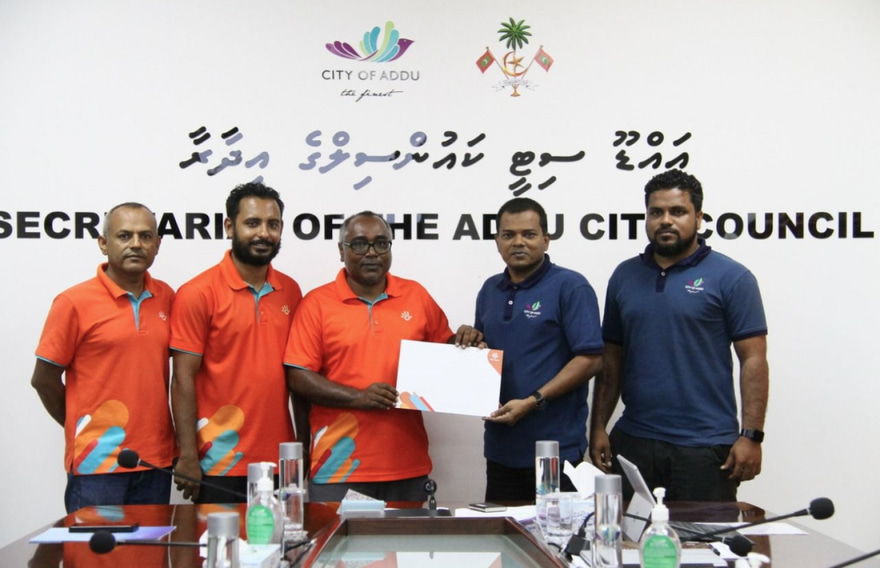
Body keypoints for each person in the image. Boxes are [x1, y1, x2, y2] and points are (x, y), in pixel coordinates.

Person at [590, 169, 769, 501]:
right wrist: (598, 426)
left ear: (698, 218)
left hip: (704, 447)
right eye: (656, 212)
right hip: (635, 441)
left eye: (678, 211)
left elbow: (753, 359)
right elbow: (611, 359)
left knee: (701, 536)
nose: (666, 221)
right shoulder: (624, 276)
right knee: (627, 534)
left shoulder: (733, 278)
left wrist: (751, 435)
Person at [284, 211, 465, 502]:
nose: (371, 253)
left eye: (381, 243)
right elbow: (298, 377)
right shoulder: (316, 304)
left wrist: (465, 341)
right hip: (337, 469)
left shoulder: (416, 296)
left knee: (409, 536)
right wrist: (358, 397)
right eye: (359, 244)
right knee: (337, 536)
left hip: (407, 466)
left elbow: (445, 355)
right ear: (341, 251)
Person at [454, 197, 604, 501]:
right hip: (500, 449)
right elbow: (488, 352)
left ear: (546, 240)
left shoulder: (571, 286)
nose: (518, 242)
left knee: (553, 530)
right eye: (508, 235)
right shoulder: (489, 289)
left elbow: (590, 360)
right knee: (503, 529)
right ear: (497, 241)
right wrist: (472, 341)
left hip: (554, 451)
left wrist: (533, 401)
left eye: (529, 234)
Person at [31, 203, 176, 512]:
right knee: (95, 547)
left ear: (157, 244)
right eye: (124, 236)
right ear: (103, 243)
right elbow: (43, 380)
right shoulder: (73, 302)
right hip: (97, 466)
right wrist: (84, 429)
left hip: (156, 462)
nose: (136, 244)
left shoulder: (167, 297)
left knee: (152, 546)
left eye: (145, 236)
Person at [170, 182, 302, 503]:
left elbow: (299, 377)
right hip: (218, 460)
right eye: (252, 223)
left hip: (280, 460)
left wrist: (304, 448)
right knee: (220, 539)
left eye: (273, 224)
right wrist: (187, 455)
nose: (264, 233)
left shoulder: (291, 291)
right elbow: (182, 378)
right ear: (229, 226)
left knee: (281, 537)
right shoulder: (197, 293)